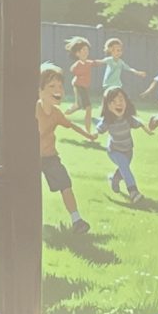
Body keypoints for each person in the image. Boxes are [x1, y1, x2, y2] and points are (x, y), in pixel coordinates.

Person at [37, 62, 92, 231]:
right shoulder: (34, 110)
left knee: (65, 184)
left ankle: (77, 220)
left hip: (50, 157)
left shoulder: (56, 113)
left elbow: (71, 125)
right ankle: (28, 220)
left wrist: (88, 135)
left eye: (60, 86)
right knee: (28, 188)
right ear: (39, 90)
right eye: (52, 86)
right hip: (30, 157)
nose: (58, 90)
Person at [97, 85, 141, 200]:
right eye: (113, 102)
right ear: (107, 105)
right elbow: (99, 129)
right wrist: (95, 133)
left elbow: (138, 124)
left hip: (128, 150)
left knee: (123, 169)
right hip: (114, 150)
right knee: (125, 168)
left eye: (121, 100)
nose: (118, 104)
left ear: (126, 102)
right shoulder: (108, 120)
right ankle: (133, 192)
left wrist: (148, 125)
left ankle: (114, 179)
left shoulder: (128, 118)